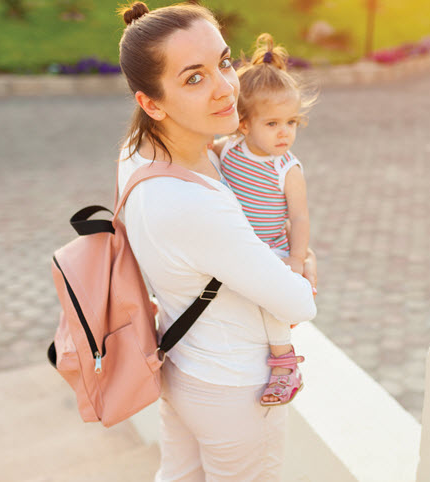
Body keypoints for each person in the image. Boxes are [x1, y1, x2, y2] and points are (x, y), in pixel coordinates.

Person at [116, 2, 317, 481]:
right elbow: (297, 304)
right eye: (193, 78)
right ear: (151, 103)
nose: (227, 86)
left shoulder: (137, 154)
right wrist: (304, 265)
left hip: (180, 367)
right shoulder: (194, 205)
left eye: (224, 62)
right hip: (234, 391)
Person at [213, 33, 317, 407]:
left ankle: (285, 364)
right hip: (237, 247)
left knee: (272, 301)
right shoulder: (230, 149)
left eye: (291, 122)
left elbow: (300, 217)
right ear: (243, 125)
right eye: (272, 123)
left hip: (271, 249)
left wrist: (296, 259)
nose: (285, 132)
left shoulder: (287, 169)